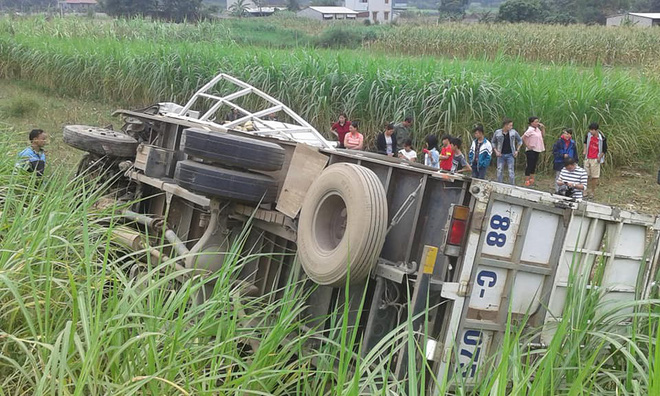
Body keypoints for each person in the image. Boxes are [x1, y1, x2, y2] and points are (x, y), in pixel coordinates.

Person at [492, 118, 522, 184]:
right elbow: (493, 142)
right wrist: (496, 151)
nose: (511, 127)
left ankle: (512, 185)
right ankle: (499, 184)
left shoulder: (513, 132)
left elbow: (520, 140)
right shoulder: (497, 132)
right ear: (505, 125)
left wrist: (517, 150)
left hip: (510, 154)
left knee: (511, 170)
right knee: (499, 170)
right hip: (501, 154)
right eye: (510, 125)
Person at [583, 122, 608, 199]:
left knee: (594, 176)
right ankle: (584, 190)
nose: (591, 131)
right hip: (588, 157)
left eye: (592, 130)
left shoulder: (602, 138)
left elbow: (604, 150)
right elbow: (585, 142)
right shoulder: (588, 135)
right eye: (590, 130)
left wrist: (599, 157)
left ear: (596, 130)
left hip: (595, 159)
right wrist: (584, 150)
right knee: (585, 175)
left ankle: (592, 191)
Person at [522, 116, 546, 187]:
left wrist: (543, 128)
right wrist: (527, 145)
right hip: (531, 150)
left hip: (537, 149)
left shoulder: (537, 129)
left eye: (537, 121)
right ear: (531, 123)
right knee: (530, 165)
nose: (537, 123)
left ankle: (531, 180)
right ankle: (526, 181)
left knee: (534, 165)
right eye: (535, 122)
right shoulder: (530, 130)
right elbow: (523, 137)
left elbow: (543, 136)